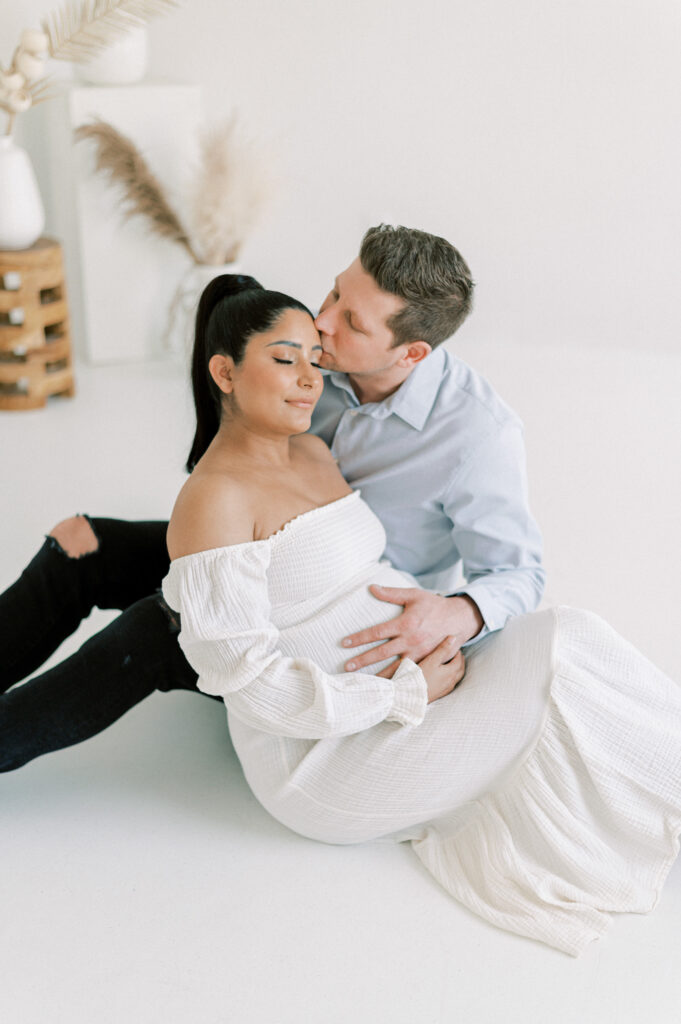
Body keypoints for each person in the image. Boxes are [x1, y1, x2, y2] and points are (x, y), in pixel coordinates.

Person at [161, 274, 681, 957]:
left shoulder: (316, 450)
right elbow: (247, 683)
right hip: (325, 760)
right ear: (224, 370)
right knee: (564, 651)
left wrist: (435, 629)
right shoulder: (211, 501)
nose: (308, 380)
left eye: (314, 361)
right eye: (284, 359)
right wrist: (399, 691)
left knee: (570, 643)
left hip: (412, 693)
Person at [0, 225, 544, 771]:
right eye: (334, 293)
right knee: (81, 543)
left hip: (328, 616)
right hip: (266, 553)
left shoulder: (479, 435)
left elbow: (520, 574)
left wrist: (458, 612)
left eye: (351, 321)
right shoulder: (313, 360)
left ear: (410, 353)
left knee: (159, 626)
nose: (324, 320)